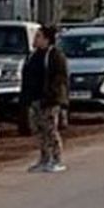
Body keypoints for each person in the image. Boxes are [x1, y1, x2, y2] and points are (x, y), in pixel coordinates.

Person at [21, 26, 69, 173]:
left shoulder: (55, 56)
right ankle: (44, 158)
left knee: (50, 129)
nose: (35, 39)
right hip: (34, 99)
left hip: (50, 100)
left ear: (47, 39)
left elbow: (60, 78)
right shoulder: (32, 56)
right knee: (38, 130)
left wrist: (52, 96)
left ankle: (57, 159)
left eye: (38, 36)